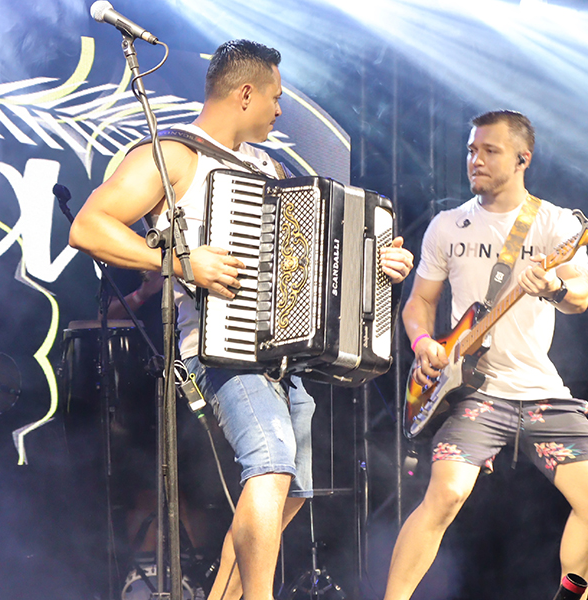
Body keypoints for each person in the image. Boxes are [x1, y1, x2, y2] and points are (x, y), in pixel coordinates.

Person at [69, 39, 414, 600]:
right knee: (271, 469)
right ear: (246, 93)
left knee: (291, 491)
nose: (279, 110)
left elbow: (315, 260)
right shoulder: (174, 155)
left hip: (282, 355)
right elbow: (88, 226)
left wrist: (378, 264)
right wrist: (182, 262)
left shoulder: (270, 167)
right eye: (275, 98)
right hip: (219, 348)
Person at [386, 110, 588, 599]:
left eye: (489, 151)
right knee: (446, 493)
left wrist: (551, 286)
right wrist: (424, 344)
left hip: (540, 393)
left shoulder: (557, 224)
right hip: (475, 392)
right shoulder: (448, 226)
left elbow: (579, 296)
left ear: (521, 159)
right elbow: (419, 303)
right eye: (472, 150)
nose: (476, 159)